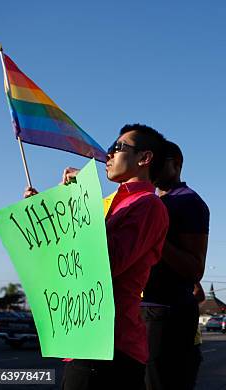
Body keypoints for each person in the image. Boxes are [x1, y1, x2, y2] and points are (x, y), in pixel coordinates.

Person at [25, 124, 169, 389]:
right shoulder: (111, 204)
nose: (108, 155)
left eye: (117, 148)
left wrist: (84, 202)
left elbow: (105, 263)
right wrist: (44, 218)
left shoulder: (149, 205)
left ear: (144, 158)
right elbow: (71, 260)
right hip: (83, 341)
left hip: (113, 347)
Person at [141, 140, 209, 390]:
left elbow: (195, 268)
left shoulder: (188, 202)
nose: (153, 165)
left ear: (177, 164)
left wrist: (156, 238)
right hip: (141, 310)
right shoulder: (148, 201)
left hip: (164, 312)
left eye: (161, 160)